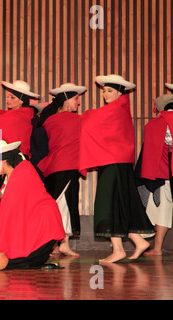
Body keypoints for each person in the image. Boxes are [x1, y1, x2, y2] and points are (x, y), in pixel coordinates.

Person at [79, 74, 155, 263]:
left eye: (110, 91)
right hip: (116, 161)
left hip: (114, 162)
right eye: (104, 91)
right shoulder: (119, 108)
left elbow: (90, 120)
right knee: (120, 202)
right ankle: (137, 241)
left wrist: (86, 115)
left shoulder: (116, 109)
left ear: (120, 92)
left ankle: (119, 249)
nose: (106, 94)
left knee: (108, 203)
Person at [0, 140, 65, 269]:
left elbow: (7, 215)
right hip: (34, 223)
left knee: (13, 262)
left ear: (3, 160)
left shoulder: (21, 174)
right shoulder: (14, 173)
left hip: (42, 228)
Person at [38, 83, 87, 257]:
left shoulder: (50, 120)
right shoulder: (75, 120)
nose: (78, 103)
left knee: (60, 206)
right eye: (76, 98)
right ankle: (53, 245)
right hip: (66, 167)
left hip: (54, 167)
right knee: (62, 206)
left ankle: (61, 244)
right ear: (66, 100)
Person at [0, 80, 48, 197]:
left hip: (20, 162)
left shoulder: (28, 117)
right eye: (8, 97)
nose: (8, 100)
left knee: (13, 194)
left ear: (21, 101)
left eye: (12, 97)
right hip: (8, 161)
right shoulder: (24, 116)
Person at [135, 94, 173, 256]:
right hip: (167, 172)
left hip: (163, 173)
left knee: (162, 209)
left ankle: (157, 249)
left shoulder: (155, 124)